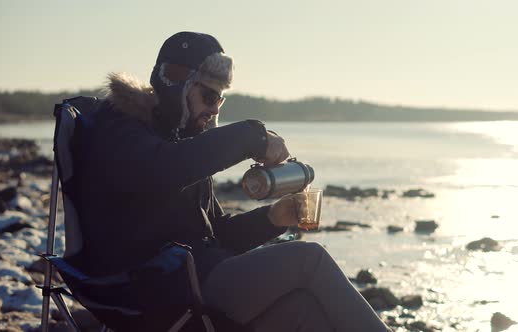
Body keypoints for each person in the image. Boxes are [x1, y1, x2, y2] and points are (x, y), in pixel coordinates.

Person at [72, 31, 391, 331]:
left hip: (190, 279)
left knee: (302, 310)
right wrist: (251, 136)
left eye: (220, 100)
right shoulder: (121, 128)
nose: (213, 109)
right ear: (175, 81)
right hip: (144, 288)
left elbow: (214, 235)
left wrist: (272, 218)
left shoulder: (179, 144)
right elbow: (157, 171)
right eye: (209, 95)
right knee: (310, 259)